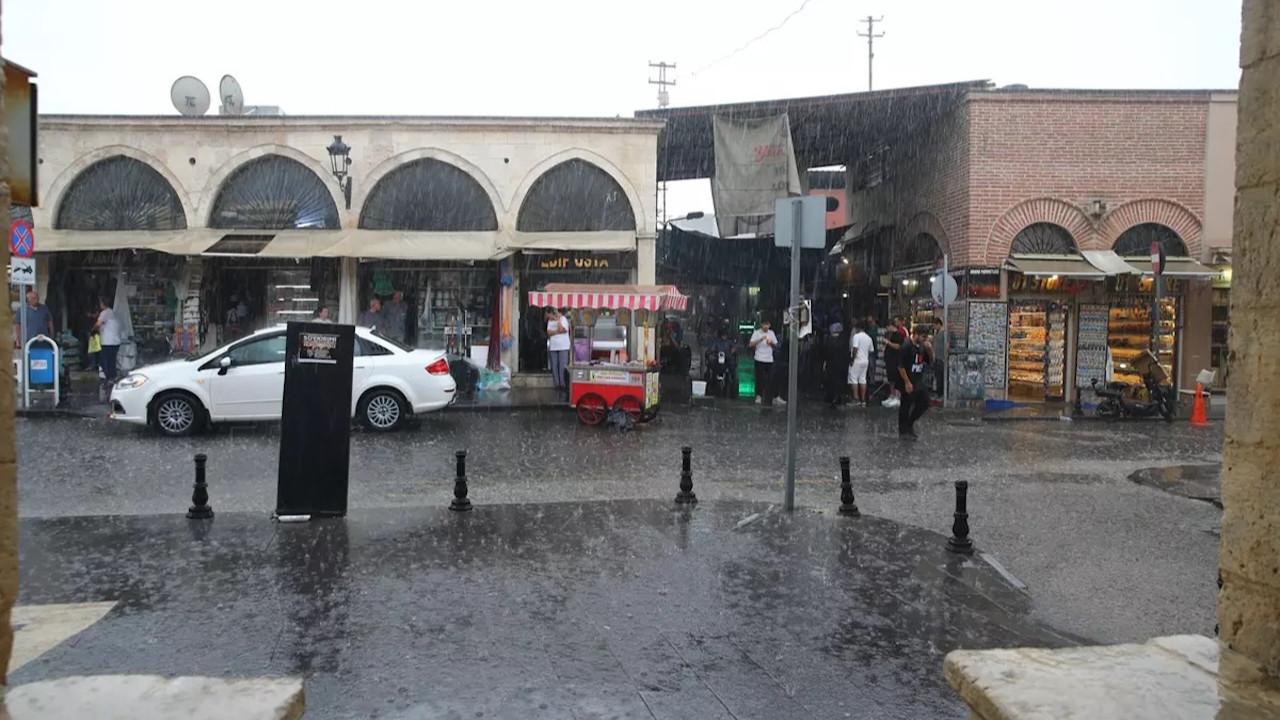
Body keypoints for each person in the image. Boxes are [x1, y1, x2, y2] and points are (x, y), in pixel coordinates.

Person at [896, 325, 934, 439]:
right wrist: (907, 382)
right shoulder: (907, 346)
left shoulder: (922, 347)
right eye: (922, 336)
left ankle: (910, 423)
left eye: (925, 337)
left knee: (924, 402)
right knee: (906, 405)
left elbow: (931, 361)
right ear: (916, 334)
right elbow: (900, 366)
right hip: (907, 379)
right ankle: (903, 431)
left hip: (918, 380)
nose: (923, 339)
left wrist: (930, 349)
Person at [749, 318, 784, 406]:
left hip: (769, 359)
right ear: (761, 325)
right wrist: (760, 340)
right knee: (759, 378)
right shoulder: (756, 333)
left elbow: (776, 345)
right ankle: (759, 396)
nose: (766, 326)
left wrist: (771, 343)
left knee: (772, 378)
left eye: (767, 324)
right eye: (764, 324)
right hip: (759, 358)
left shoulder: (771, 333)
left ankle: (776, 397)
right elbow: (750, 344)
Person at [93, 296, 122, 384]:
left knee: (103, 360)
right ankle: (112, 378)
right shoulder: (112, 313)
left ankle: (110, 378)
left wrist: (93, 331)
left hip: (108, 342)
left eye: (101, 303)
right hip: (115, 341)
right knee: (111, 361)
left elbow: (98, 324)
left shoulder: (105, 313)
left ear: (103, 304)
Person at [823, 322, 850, 407]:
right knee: (838, 382)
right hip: (839, 364)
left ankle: (832, 396)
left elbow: (827, 352)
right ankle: (836, 397)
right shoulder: (843, 340)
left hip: (833, 364)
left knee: (833, 381)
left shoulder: (830, 340)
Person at [849, 320, 875, 407]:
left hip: (857, 360)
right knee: (863, 379)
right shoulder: (869, 338)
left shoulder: (856, 337)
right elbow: (871, 350)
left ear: (858, 328)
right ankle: (863, 399)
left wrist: (852, 359)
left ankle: (856, 398)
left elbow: (855, 348)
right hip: (865, 361)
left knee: (853, 378)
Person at [546, 307, 571, 391]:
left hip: (563, 346)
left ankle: (563, 384)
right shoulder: (550, 321)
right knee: (554, 366)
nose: (550, 316)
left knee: (562, 366)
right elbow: (549, 333)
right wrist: (557, 331)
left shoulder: (563, 319)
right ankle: (557, 384)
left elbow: (563, 329)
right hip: (553, 346)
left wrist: (558, 320)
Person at [931, 316, 946, 396]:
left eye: (934, 325)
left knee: (941, 377)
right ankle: (938, 392)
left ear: (938, 324)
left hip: (941, 358)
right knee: (937, 376)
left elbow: (947, 345)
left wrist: (945, 356)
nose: (934, 327)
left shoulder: (944, 333)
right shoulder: (937, 333)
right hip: (936, 357)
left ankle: (941, 393)